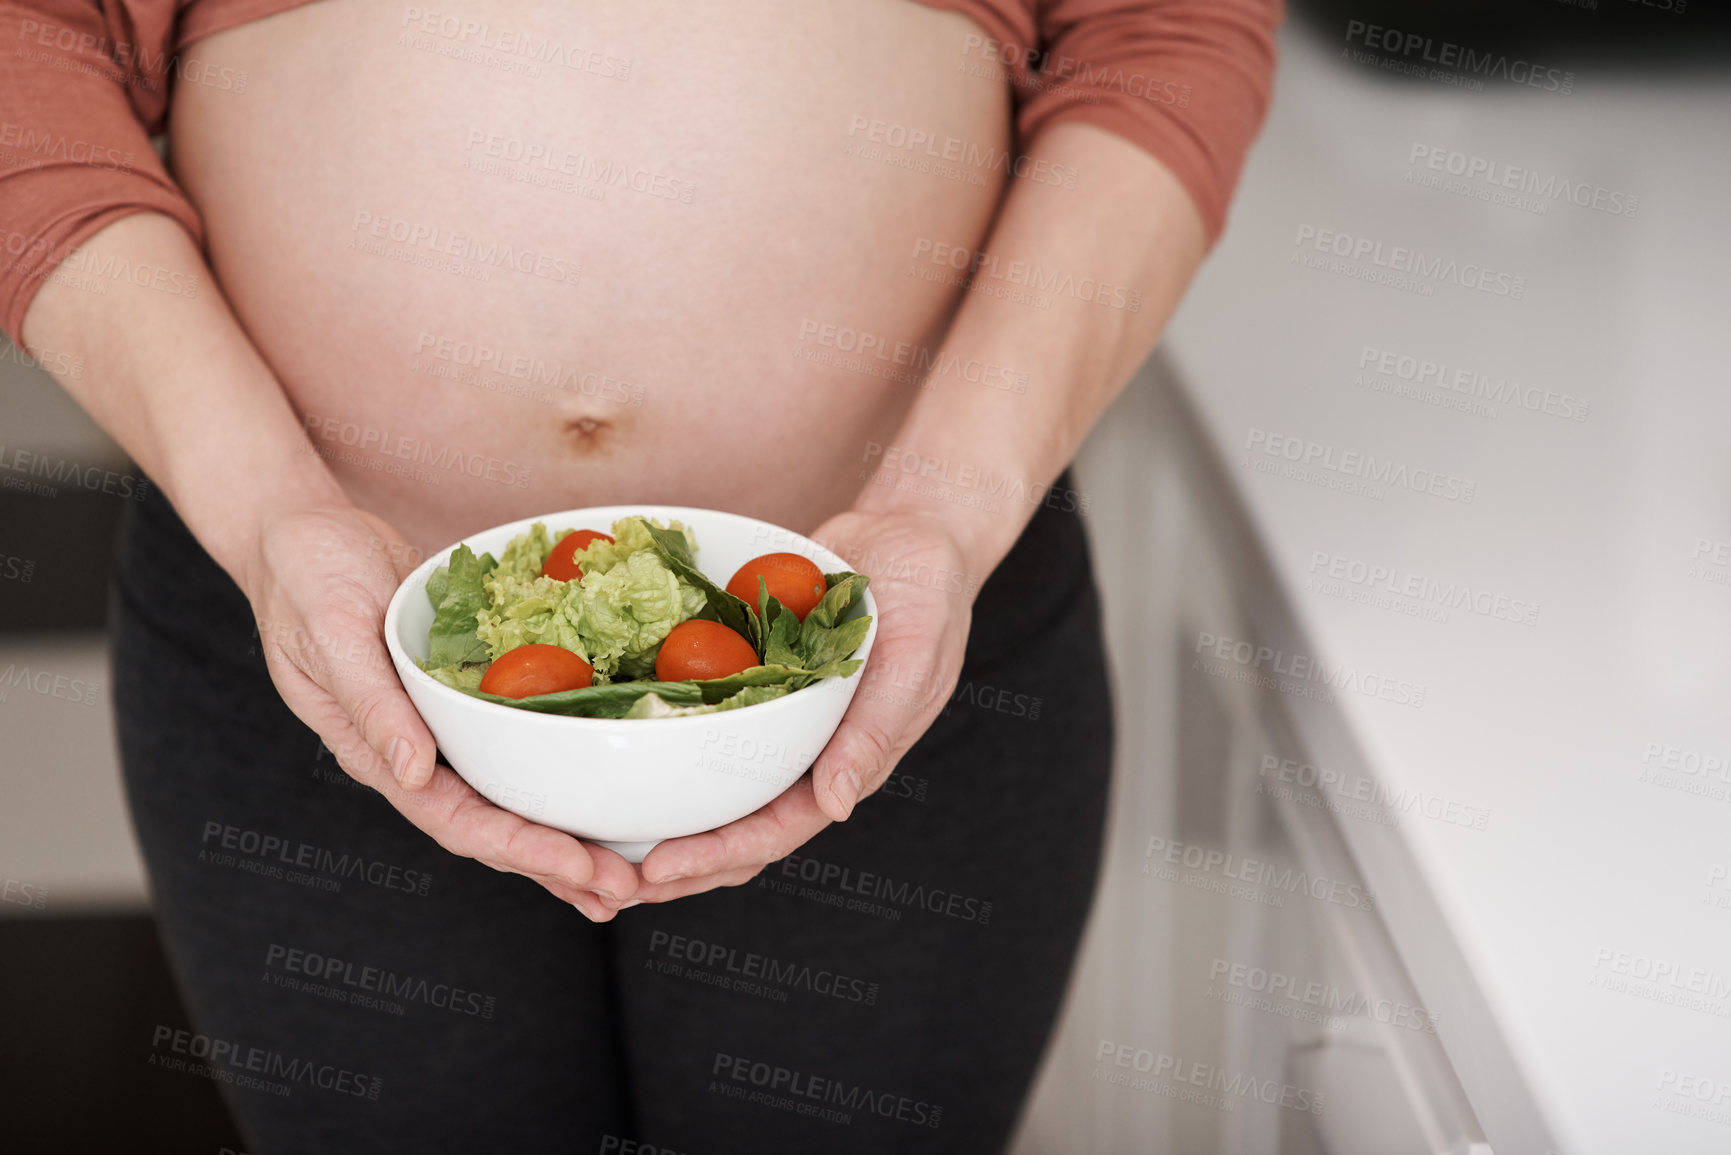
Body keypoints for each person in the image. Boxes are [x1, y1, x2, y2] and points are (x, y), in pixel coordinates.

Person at [1, 0, 1278, 1149]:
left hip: (896, 640)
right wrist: (265, 506)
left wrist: (949, 504)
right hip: (308, 626)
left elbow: (1161, 36)